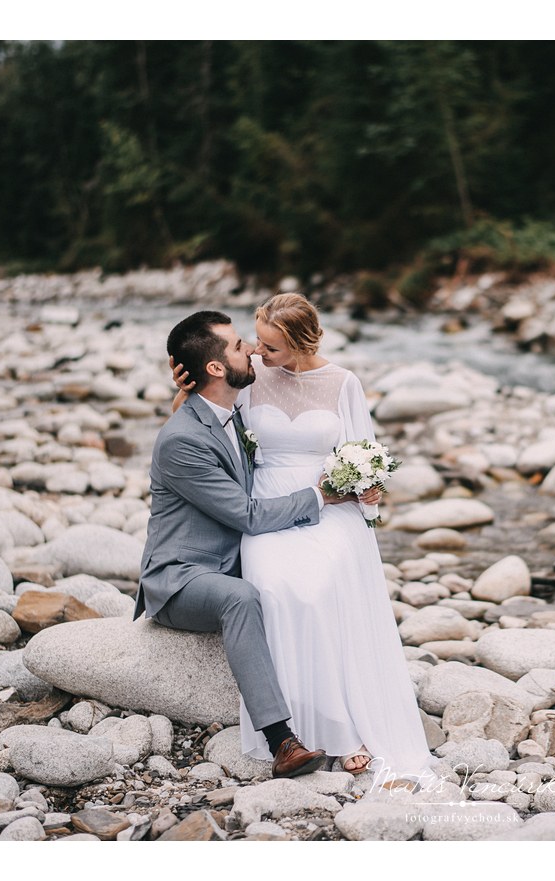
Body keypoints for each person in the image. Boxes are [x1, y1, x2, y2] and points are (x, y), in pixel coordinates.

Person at [172, 294, 436, 786]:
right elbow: (209, 417)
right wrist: (184, 389)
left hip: (330, 505)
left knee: (320, 589)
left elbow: (363, 449)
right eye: (255, 341)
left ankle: (348, 725)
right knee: (271, 588)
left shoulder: (344, 383)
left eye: (269, 347)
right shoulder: (251, 378)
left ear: (298, 345)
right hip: (268, 505)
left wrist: (369, 487)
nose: (255, 352)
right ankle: (298, 729)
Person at [135, 309, 371, 780]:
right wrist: (321, 496)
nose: (254, 352)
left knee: (312, 583)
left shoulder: (227, 408)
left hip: (234, 554)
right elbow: (246, 514)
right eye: (242, 345)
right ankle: (282, 740)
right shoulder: (182, 440)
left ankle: (343, 710)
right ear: (219, 369)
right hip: (184, 576)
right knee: (243, 598)